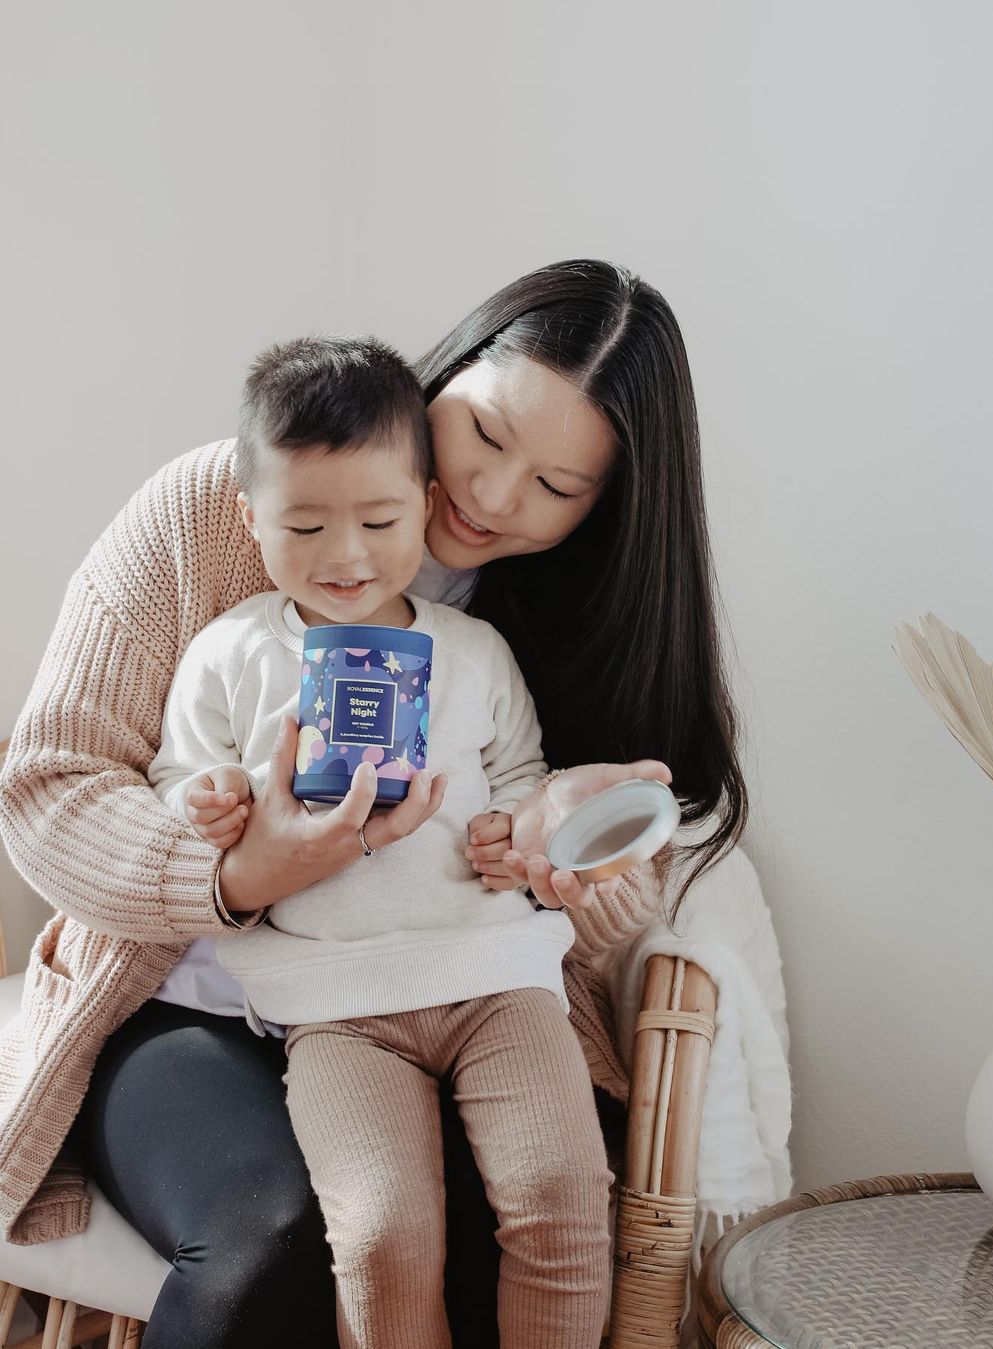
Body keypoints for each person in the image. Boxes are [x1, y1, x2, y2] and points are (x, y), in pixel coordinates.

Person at [0, 259, 747, 1348]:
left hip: (460, 986)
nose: (494, 496)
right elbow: (48, 783)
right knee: (278, 1241)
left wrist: (570, 852)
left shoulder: (557, 622)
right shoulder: (221, 511)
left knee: (532, 1224)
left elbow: (589, 903)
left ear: (605, 507)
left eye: (555, 486)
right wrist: (233, 869)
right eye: (485, 434)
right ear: (448, 368)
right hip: (186, 1002)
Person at [151, 333, 617, 1348]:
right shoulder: (230, 653)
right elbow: (176, 781)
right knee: (380, 1234)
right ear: (250, 516)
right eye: (304, 524)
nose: (346, 555)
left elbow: (525, 776)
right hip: (333, 1002)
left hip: (496, 974)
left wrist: (520, 828)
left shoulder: (475, 652)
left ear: (424, 501)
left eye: (379, 520)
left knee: (562, 1199)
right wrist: (213, 803)